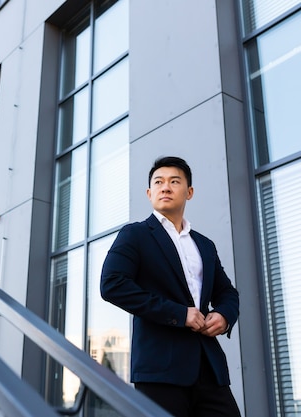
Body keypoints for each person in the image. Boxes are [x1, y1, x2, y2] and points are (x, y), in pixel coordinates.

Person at [100, 156, 241, 417]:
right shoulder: (135, 234)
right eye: (159, 182)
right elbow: (112, 284)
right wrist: (179, 313)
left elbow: (227, 292)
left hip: (209, 369)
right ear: (149, 192)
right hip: (160, 371)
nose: (166, 187)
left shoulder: (205, 245)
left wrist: (224, 315)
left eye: (174, 181)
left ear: (189, 192)